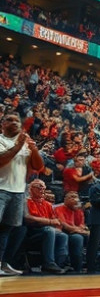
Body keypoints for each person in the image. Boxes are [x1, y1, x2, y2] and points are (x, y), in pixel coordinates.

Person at [0, 111, 43, 276]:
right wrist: (19, 144)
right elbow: (2, 160)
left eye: (17, 120)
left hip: (18, 192)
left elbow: (38, 166)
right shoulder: (1, 140)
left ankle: (3, 264)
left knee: (7, 229)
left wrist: (33, 149)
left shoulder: (25, 143)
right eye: (10, 120)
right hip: (1, 189)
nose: (15, 123)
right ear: (2, 124)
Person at [23, 179, 68, 273]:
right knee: (49, 230)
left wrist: (56, 227)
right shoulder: (26, 202)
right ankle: (48, 263)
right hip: (32, 232)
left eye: (43, 187)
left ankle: (59, 264)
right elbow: (29, 219)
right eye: (39, 187)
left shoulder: (48, 204)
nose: (42, 189)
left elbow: (56, 221)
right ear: (30, 189)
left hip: (46, 230)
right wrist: (49, 222)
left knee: (62, 235)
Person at [54, 191, 90, 272]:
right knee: (77, 238)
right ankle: (70, 267)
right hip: (62, 232)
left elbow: (81, 224)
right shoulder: (58, 209)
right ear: (65, 199)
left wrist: (81, 230)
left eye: (76, 197)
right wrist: (79, 231)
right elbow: (63, 225)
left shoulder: (78, 210)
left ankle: (84, 266)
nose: (75, 199)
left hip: (75, 232)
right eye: (72, 197)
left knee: (84, 237)